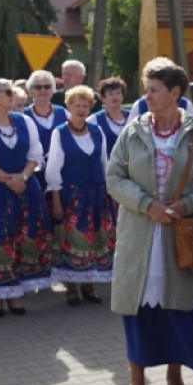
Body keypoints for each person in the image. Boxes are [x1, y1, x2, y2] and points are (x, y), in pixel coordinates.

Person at [107, 58, 193, 385]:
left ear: (175, 92)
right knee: (138, 308)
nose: (147, 95)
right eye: (146, 88)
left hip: (178, 237)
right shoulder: (133, 130)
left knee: (177, 308)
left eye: (154, 89)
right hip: (140, 235)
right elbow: (114, 177)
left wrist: (186, 205)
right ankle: (136, 379)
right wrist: (146, 204)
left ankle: (175, 376)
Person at [0, 78, 52, 316]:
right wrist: (8, 179)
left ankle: (16, 294)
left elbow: (36, 154)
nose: (13, 95)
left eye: (13, 91)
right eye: (7, 92)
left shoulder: (25, 121)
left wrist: (21, 179)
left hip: (24, 189)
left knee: (23, 238)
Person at [46, 85, 114, 306]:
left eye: (86, 105)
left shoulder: (97, 131)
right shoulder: (60, 133)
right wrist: (56, 200)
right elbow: (53, 169)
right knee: (71, 240)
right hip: (71, 195)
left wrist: (110, 193)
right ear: (69, 107)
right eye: (77, 105)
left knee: (93, 239)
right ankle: (71, 288)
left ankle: (90, 285)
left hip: (96, 194)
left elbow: (105, 164)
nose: (82, 109)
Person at [24, 69, 68, 192]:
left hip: (61, 173)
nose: (43, 90)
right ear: (31, 92)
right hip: (33, 174)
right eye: (38, 87)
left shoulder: (64, 112)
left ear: (53, 90)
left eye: (47, 86)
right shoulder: (22, 116)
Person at [91, 77, 130, 157]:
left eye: (118, 93)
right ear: (103, 98)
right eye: (110, 94)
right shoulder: (94, 120)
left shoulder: (133, 117)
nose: (115, 97)